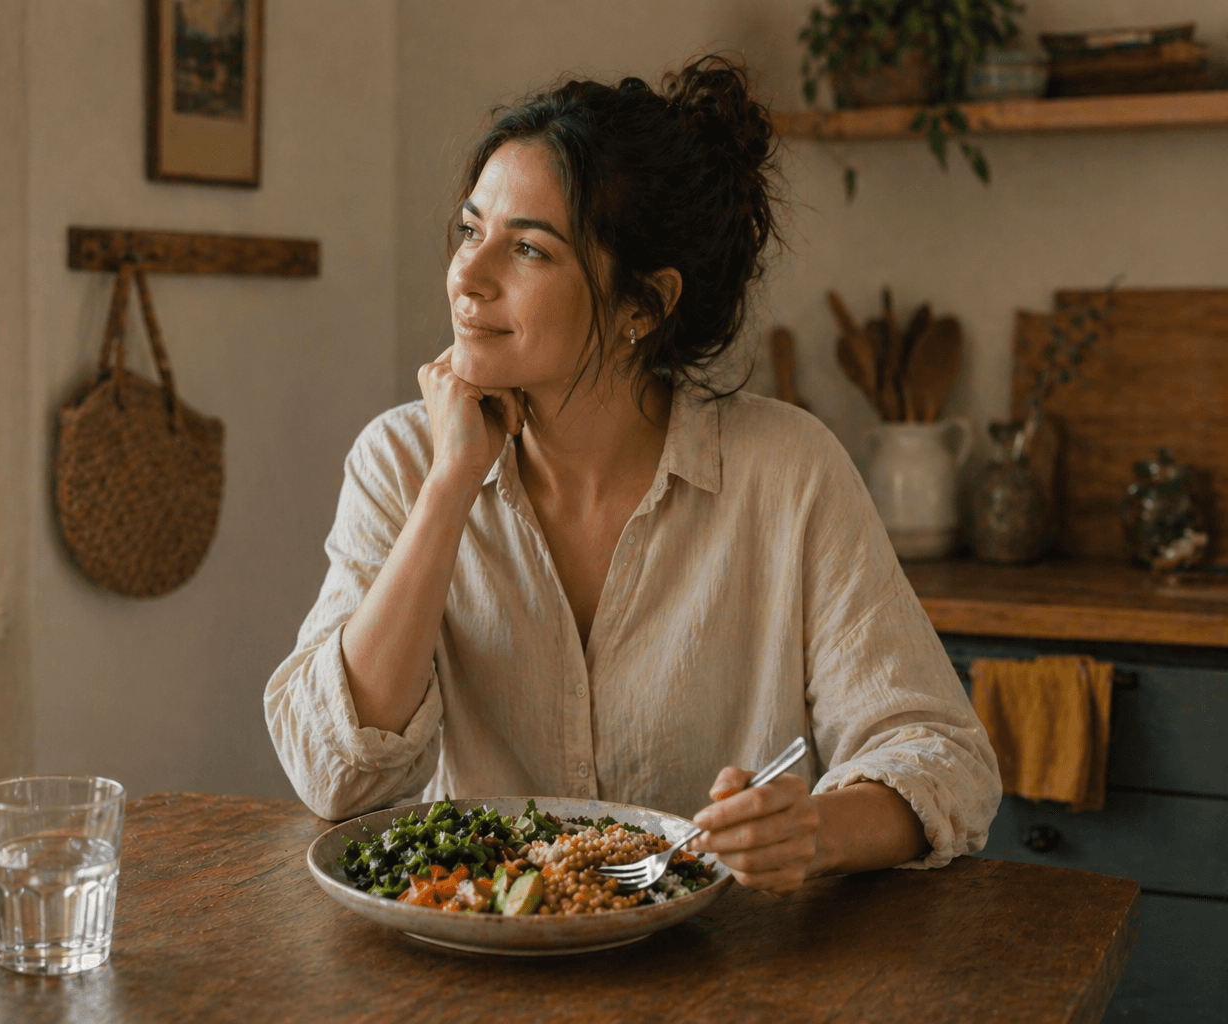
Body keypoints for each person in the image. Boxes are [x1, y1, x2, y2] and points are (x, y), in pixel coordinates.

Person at [265, 55, 1000, 897]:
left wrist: (812, 831)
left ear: (643, 307)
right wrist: (449, 485)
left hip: (725, 970)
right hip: (472, 968)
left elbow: (940, 756)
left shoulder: (788, 472)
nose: (467, 276)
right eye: (470, 231)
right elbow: (336, 774)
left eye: (528, 249)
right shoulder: (400, 460)